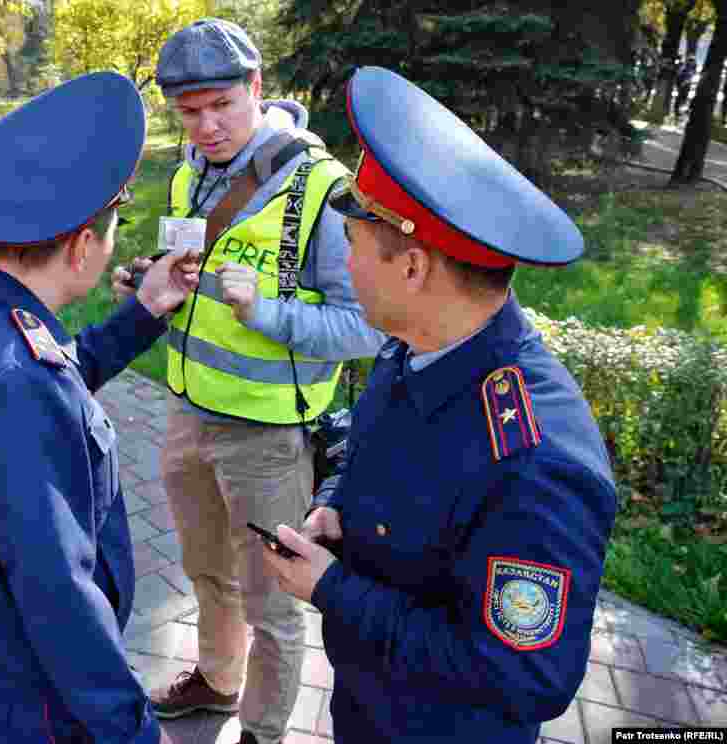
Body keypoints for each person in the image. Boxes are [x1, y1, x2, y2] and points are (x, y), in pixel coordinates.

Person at [261, 66, 618, 743]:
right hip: (368, 706)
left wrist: (334, 591)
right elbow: (375, 458)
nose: (346, 260)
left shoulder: (537, 463)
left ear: (414, 267)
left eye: (354, 242)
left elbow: (524, 678)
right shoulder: (416, 345)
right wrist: (336, 504)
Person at [111, 18, 386, 744]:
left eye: (221, 106)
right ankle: (217, 682)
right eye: (189, 112)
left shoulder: (322, 187)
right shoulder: (187, 173)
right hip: (186, 412)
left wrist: (265, 311)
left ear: (257, 89)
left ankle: (263, 733)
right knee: (207, 571)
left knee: (274, 606)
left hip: (268, 437)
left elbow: (367, 328)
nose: (205, 126)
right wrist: (150, 285)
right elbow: (193, 277)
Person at [0, 71, 200, 744]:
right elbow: (58, 594)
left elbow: (57, 377)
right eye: (113, 226)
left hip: (9, 674)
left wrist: (146, 308)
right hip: (50, 706)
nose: (115, 241)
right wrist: (133, 731)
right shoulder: (12, 379)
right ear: (79, 247)